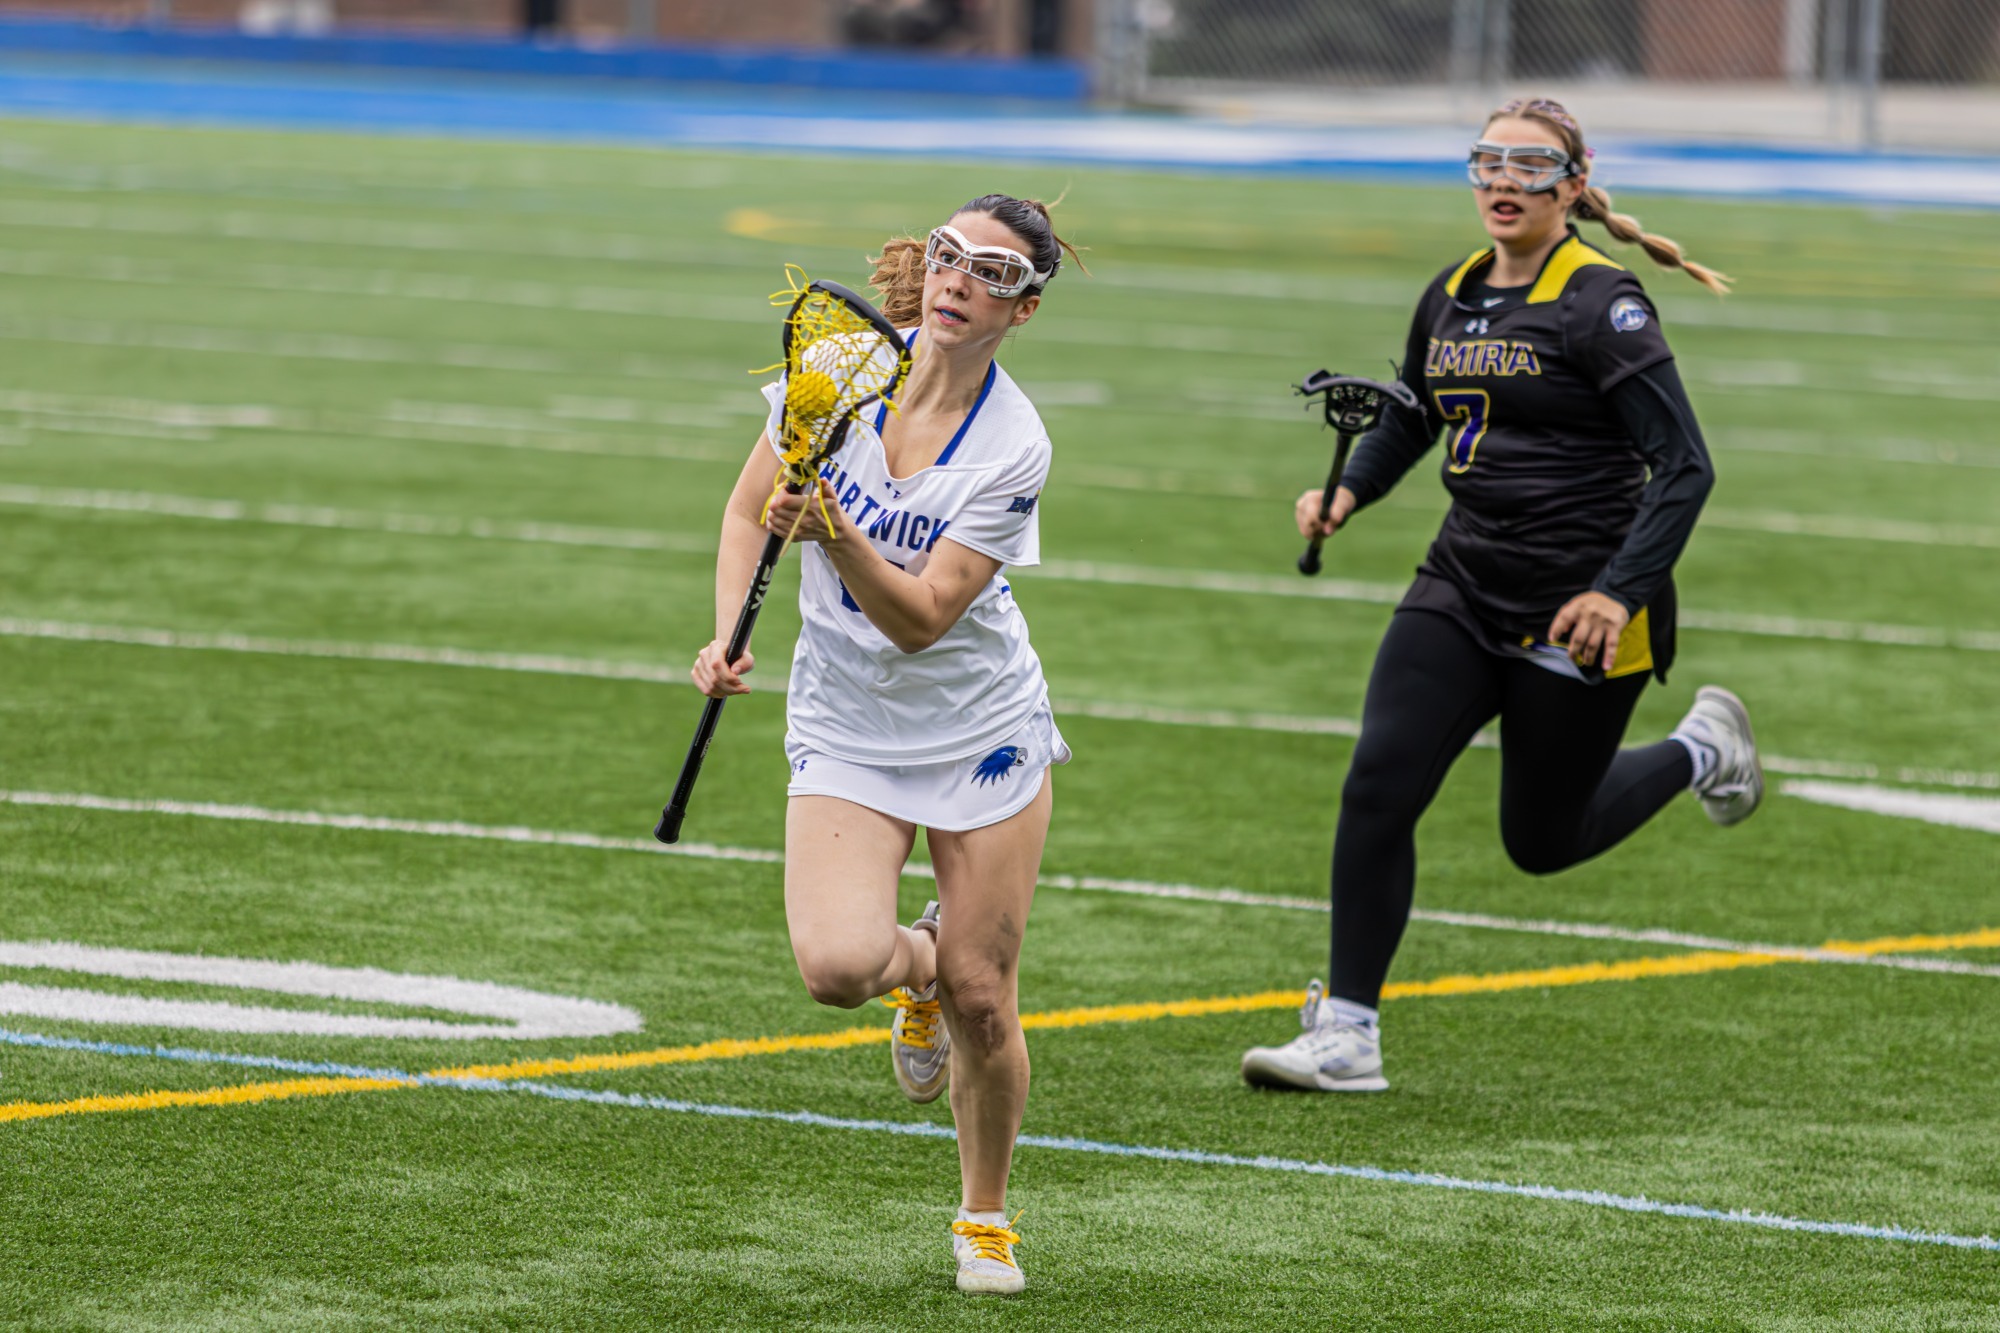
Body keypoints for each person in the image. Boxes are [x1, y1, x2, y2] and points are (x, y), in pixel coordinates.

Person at [1241, 98, 1762, 1094]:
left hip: (1580, 604)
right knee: (1377, 781)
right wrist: (1347, 491)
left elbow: (1683, 467)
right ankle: (1347, 1032)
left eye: (1529, 166)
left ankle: (1699, 748)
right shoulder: (1448, 291)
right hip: (1461, 579)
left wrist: (1616, 594)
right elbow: (1412, 414)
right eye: (1487, 162)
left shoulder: (1600, 303)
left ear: (1572, 183)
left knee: (1541, 841)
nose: (1502, 182)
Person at [691, 194, 1082, 1293]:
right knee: (837, 968)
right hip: (844, 721)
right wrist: (725, 632)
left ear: (1024, 308)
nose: (960, 280)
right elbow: (743, 512)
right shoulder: (834, 372)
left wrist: (839, 532)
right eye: (950, 258)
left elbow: (920, 620)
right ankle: (912, 969)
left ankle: (985, 1217)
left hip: (980, 732)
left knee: (984, 996)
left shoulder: (1014, 447)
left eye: (992, 274)